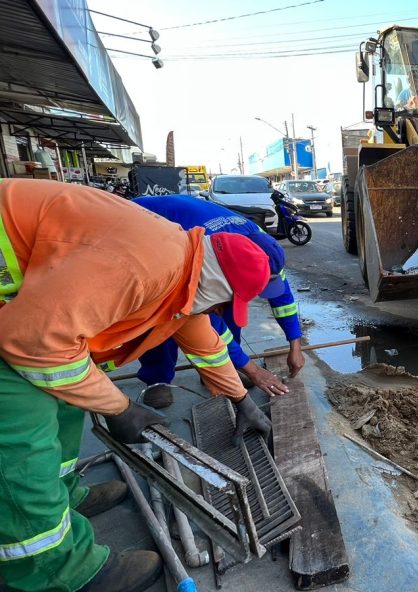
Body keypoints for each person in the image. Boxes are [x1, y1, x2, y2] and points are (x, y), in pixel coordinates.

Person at [0, 179, 274, 592]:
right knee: (23, 426)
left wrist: (240, 400)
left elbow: (207, 346)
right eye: (223, 303)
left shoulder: (182, 267)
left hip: (24, 307)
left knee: (69, 398)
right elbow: (32, 342)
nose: (219, 313)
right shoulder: (143, 266)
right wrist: (120, 408)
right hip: (18, 324)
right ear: (214, 286)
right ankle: (55, 569)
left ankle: (64, 494)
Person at [132, 195, 305, 406]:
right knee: (166, 314)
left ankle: (224, 369)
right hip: (146, 226)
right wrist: (254, 370)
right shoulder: (213, 253)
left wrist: (295, 346)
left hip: (192, 220)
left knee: (231, 306)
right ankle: (157, 380)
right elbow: (209, 323)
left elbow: (283, 299)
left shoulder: (266, 247)